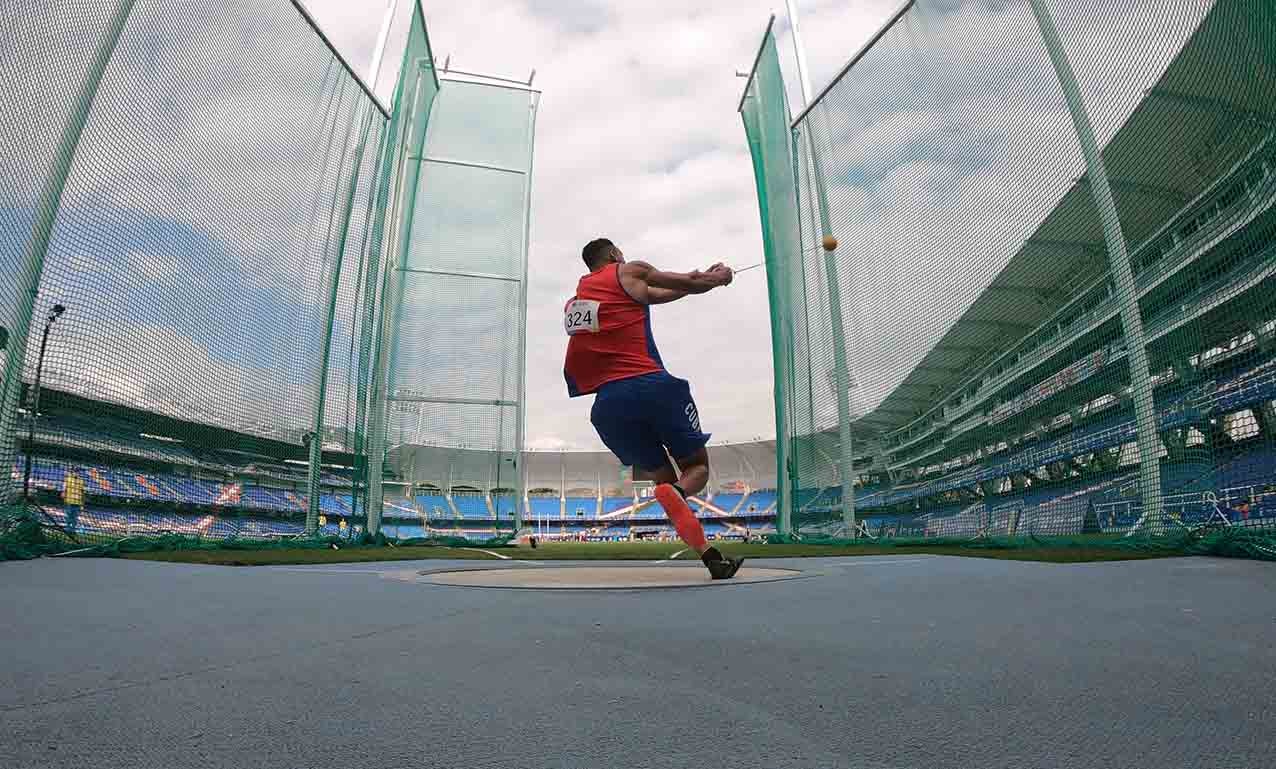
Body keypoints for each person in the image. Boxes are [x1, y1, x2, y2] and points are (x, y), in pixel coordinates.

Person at [563, 238, 743, 579]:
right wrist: (718, 277)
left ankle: (711, 558)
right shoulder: (628, 270)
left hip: (608, 407)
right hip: (652, 387)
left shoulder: (575, 304)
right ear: (614, 254)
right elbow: (687, 282)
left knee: (665, 484)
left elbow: (662, 292)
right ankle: (678, 491)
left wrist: (697, 282)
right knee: (696, 468)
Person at [63, 469, 84, 536]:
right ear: (73, 472)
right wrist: (64, 494)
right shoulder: (68, 479)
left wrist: (82, 503)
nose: (76, 473)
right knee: (68, 516)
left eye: (77, 472)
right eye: (75, 472)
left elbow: (82, 492)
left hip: (77, 502)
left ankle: (73, 530)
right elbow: (64, 489)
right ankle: (67, 529)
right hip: (69, 501)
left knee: (75, 518)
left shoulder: (81, 480)